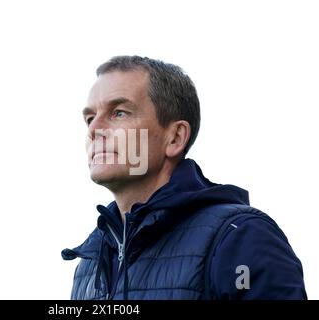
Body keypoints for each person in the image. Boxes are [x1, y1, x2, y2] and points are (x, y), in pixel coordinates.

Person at [62, 55, 307, 300]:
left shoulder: (241, 237)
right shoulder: (89, 263)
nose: (94, 131)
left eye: (119, 113)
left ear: (176, 138)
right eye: (90, 118)